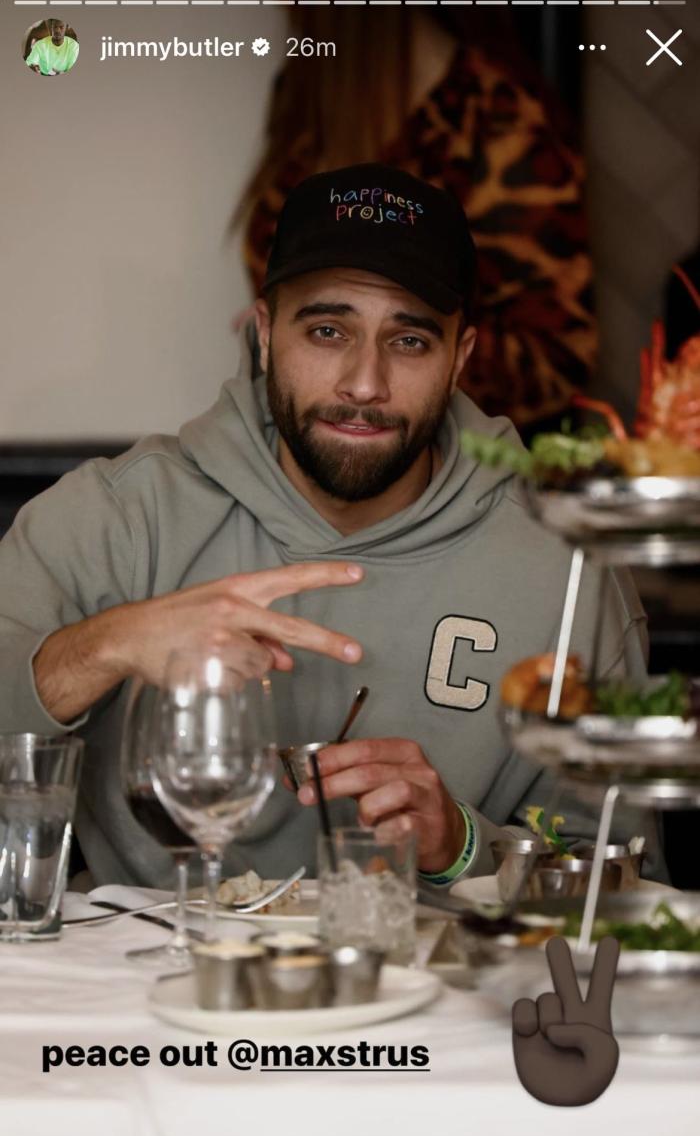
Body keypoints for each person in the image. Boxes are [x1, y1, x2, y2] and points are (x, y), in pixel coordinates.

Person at [0, 164, 661, 889]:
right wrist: (108, 644)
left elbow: (624, 889)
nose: (364, 383)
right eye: (326, 330)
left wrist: (465, 846)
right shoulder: (119, 515)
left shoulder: (568, 570)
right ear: (264, 335)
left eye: (409, 341)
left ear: (459, 359)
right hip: (146, 957)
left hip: (435, 963)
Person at [233, 8, 597, 429]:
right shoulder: (307, 96)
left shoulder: (498, 118)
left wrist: (411, 343)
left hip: (446, 454)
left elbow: (557, 358)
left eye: (410, 340)